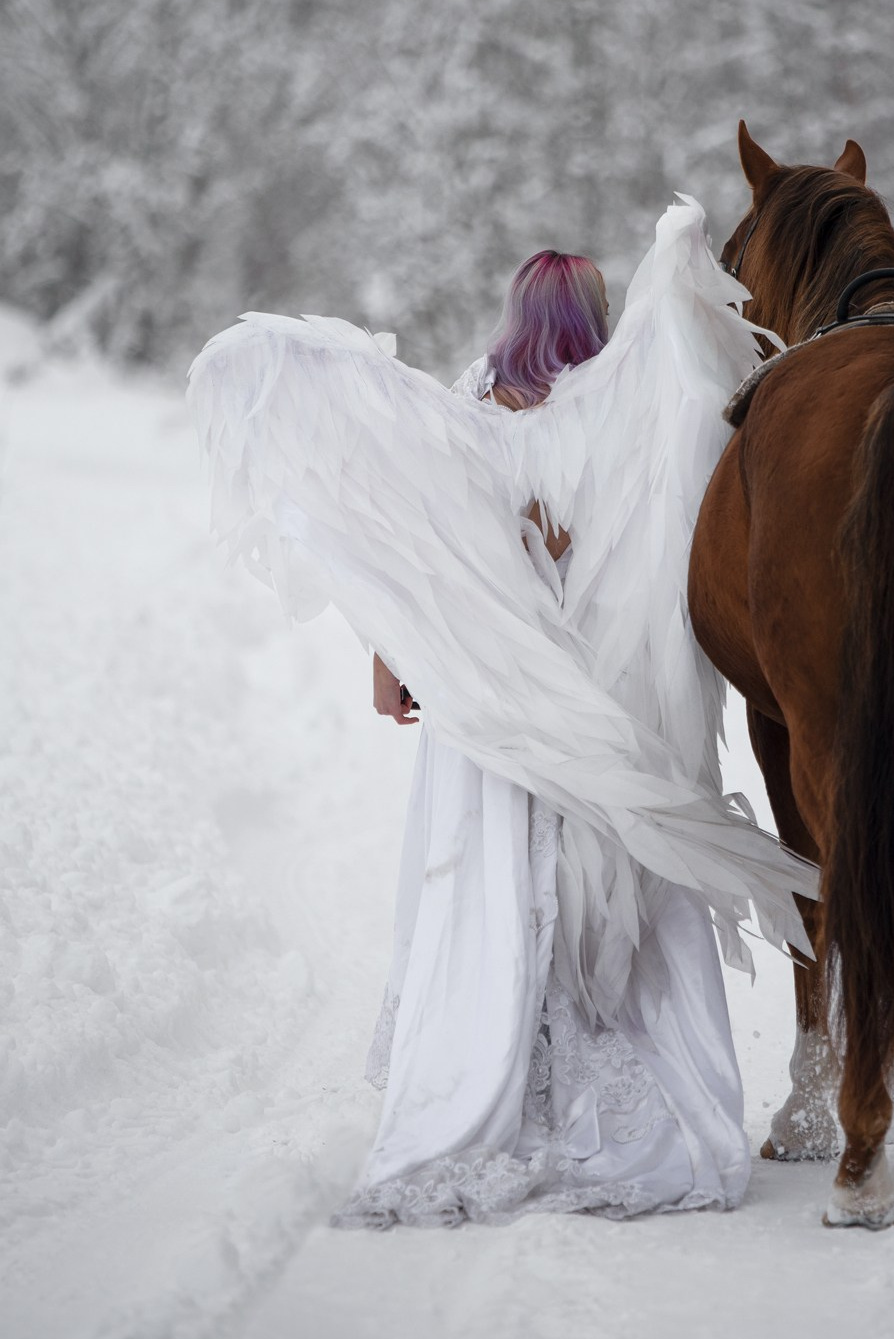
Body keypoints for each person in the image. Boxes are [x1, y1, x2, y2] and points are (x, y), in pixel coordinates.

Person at [187, 198, 817, 1229]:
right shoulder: (631, 411)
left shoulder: (461, 412)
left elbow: (416, 550)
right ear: (596, 318)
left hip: (487, 707)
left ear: (514, 316)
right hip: (607, 702)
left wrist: (394, 658)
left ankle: (484, 1078)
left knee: (488, 887)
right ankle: (638, 1097)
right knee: (617, 882)